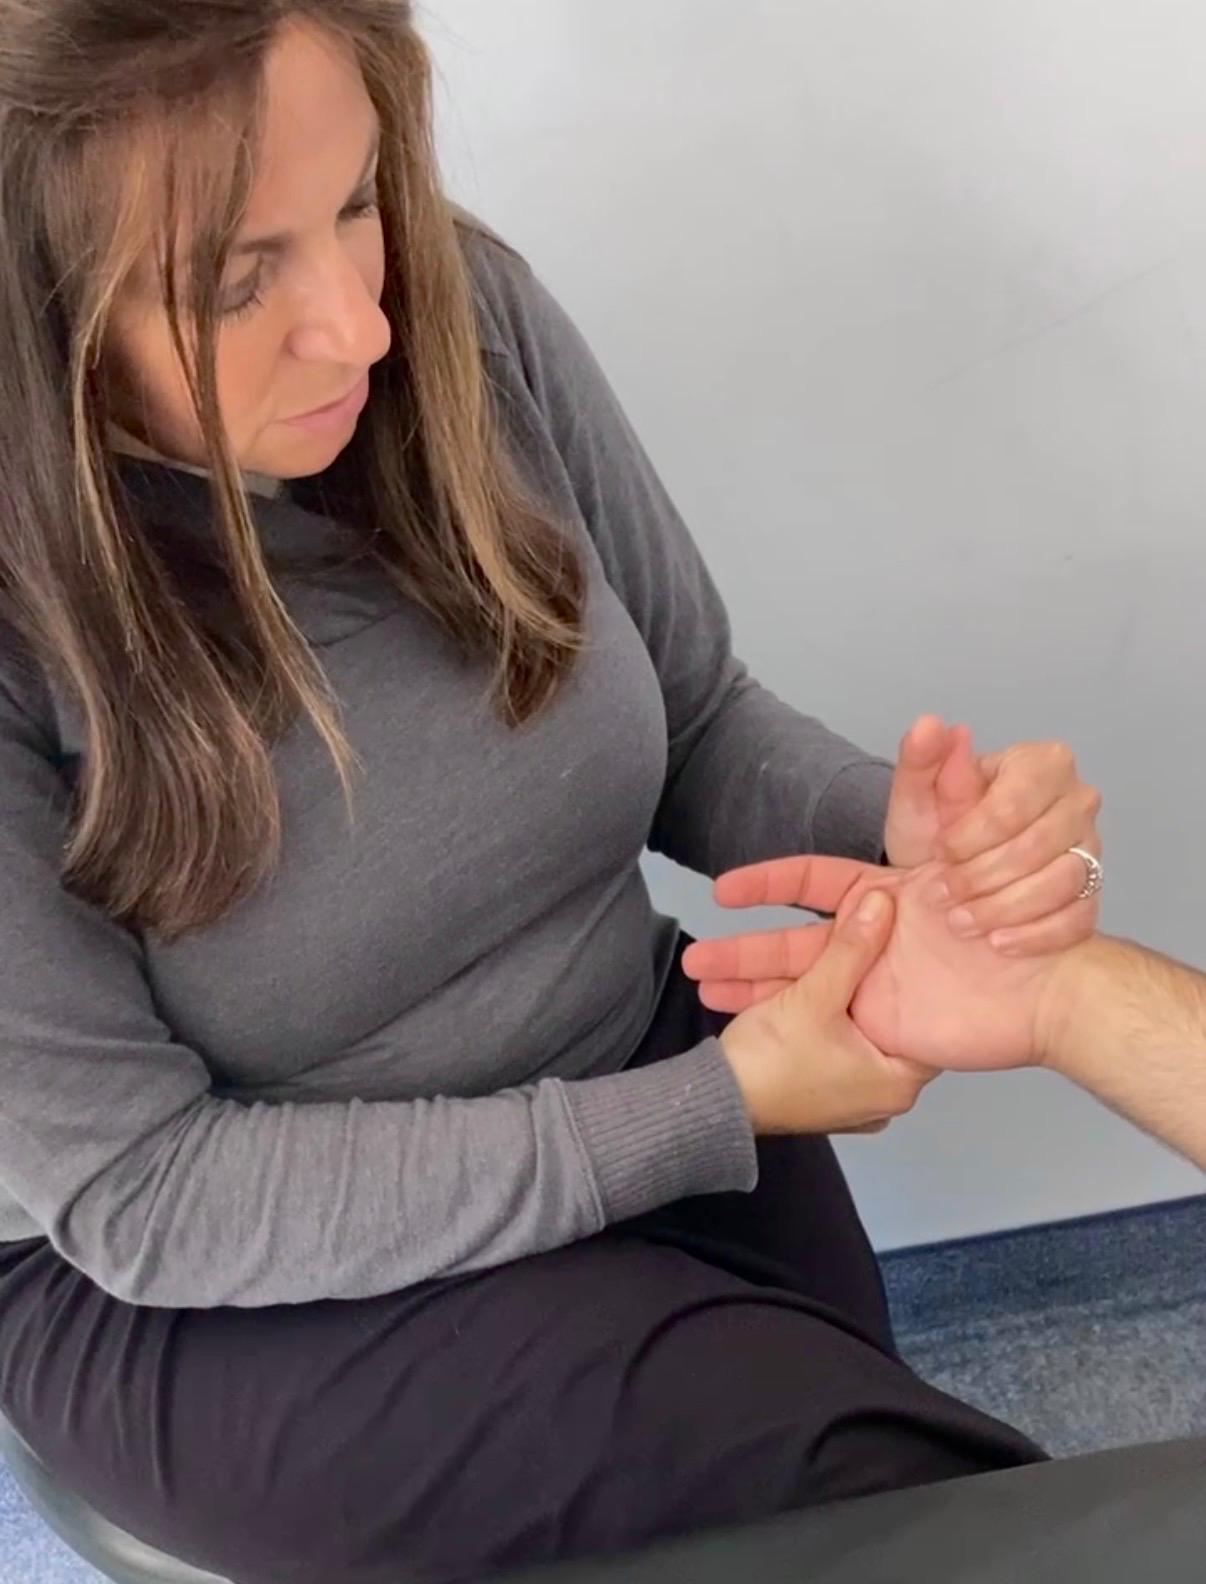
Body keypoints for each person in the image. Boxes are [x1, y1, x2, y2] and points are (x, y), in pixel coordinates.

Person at [0, 5, 1106, 1582]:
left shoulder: (465, 320)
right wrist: (703, 1111)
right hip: (204, 1271)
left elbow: (699, 722)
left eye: (358, 202)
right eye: (239, 283)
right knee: (895, 1507)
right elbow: (141, 1191)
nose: (360, 328)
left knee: (898, 1486)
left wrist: (908, 831)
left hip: (621, 1052)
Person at [683, 735, 1206, 1170]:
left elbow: (697, 730)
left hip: (693, 1036)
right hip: (704, 1079)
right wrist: (706, 1107)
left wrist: (968, 861)